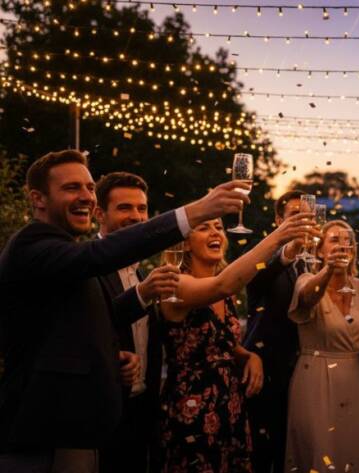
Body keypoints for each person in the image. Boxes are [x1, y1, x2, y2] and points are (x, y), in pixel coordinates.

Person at [0, 149, 249, 473]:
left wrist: (112, 349)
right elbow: (101, 254)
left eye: (89, 188)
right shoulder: (31, 245)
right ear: (38, 199)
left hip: (89, 428)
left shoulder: (63, 250)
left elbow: (82, 323)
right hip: (47, 433)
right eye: (72, 188)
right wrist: (196, 211)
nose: (86, 197)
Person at [157, 213, 317, 473]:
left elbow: (220, 343)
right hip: (192, 409)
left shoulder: (227, 296)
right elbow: (222, 285)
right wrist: (279, 237)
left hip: (230, 405)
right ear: (185, 243)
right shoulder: (174, 283)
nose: (215, 233)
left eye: (219, 227)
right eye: (204, 228)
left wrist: (248, 356)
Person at [94, 172, 177, 473]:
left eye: (141, 209)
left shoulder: (142, 270)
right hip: (105, 409)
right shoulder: (87, 265)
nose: (136, 216)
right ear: (98, 213)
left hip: (144, 405)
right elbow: (93, 324)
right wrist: (143, 295)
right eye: (125, 208)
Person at [284, 220, 359, 472]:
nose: (342, 245)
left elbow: (355, 331)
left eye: (347, 240)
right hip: (315, 380)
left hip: (354, 380)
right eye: (334, 240)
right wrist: (327, 270)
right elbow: (307, 297)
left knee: (354, 450)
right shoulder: (306, 280)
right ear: (319, 250)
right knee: (322, 451)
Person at [243, 190, 305, 473]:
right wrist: (285, 253)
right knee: (261, 454)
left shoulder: (311, 263)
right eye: (295, 215)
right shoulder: (262, 256)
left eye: (307, 216)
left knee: (291, 453)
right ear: (278, 219)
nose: (302, 221)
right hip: (263, 372)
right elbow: (257, 278)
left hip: (300, 373)